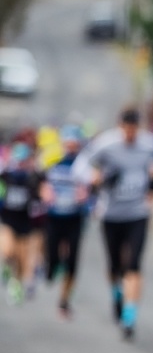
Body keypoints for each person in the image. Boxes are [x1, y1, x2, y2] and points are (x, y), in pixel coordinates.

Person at [78, 107, 153, 339]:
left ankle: (129, 316)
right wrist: (93, 177)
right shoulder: (106, 144)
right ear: (120, 126)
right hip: (111, 214)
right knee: (115, 265)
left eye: (134, 129)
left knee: (134, 265)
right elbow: (81, 165)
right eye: (127, 129)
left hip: (138, 213)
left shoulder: (149, 144)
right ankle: (117, 293)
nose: (130, 134)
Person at [44, 125, 89, 318]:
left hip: (75, 218)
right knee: (53, 257)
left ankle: (64, 301)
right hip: (54, 217)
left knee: (72, 261)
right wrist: (44, 192)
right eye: (68, 143)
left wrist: (86, 196)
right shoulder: (53, 161)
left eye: (74, 144)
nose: (71, 147)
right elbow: (40, 182)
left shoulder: (84, 165)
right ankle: (52, 268)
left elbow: (94, 188)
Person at [0, 139, 48, 305]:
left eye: (23, 160)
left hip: (26, 223)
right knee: (8, 251)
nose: (20, 164)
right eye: (18, 160)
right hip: (8, 220)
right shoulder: (6, 176)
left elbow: (42, 195)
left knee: (22, 260)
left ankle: (16, 285)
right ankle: (6, 267)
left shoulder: (32, 178)